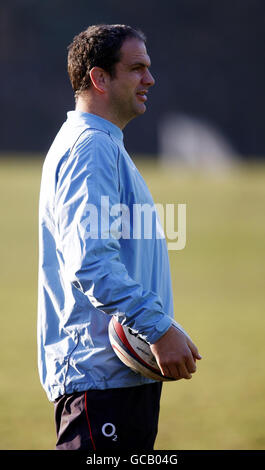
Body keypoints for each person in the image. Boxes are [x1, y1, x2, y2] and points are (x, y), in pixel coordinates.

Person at [37, 24, 202, 451]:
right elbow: (90, 261)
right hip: (100, 382)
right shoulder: (89, 146)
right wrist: (158, 327)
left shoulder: (104, 144)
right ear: (99, 78)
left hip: (117, 380)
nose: (150, 79)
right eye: (137, 68)